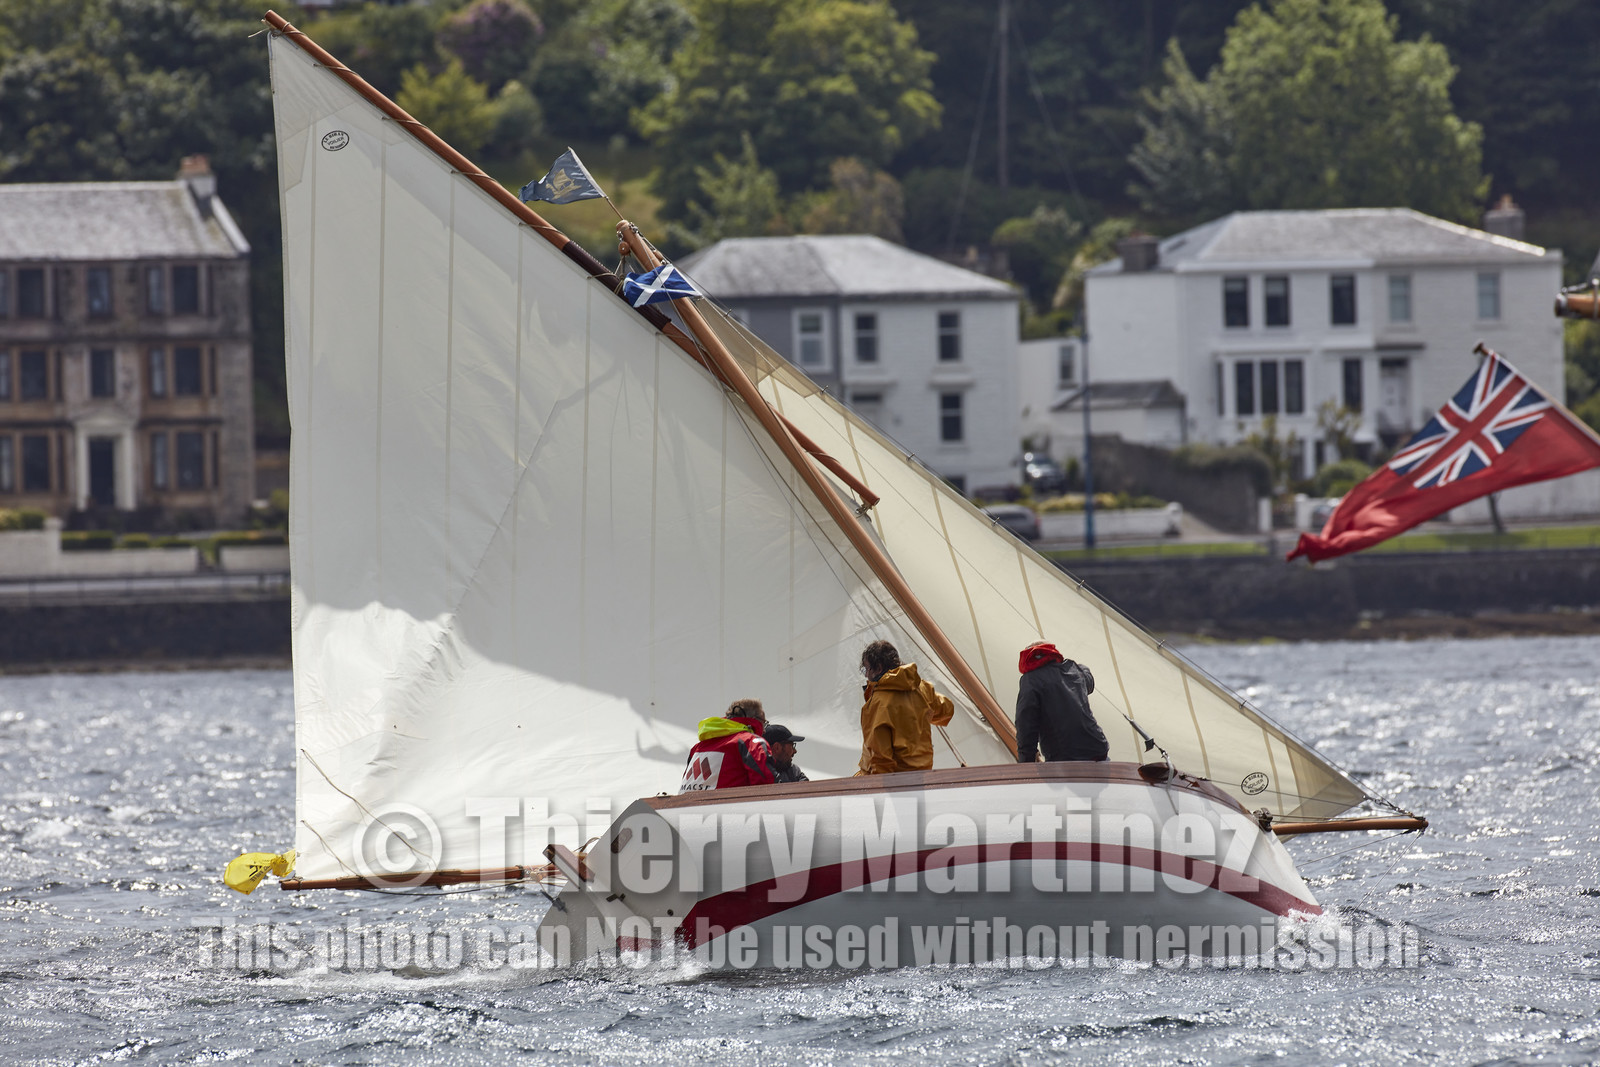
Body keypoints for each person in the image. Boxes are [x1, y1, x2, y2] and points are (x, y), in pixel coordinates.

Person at [856, 640, 954, 775]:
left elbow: (879, 758)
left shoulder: (878, 703)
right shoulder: (922, 688)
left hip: (895, 782)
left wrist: (880, 790)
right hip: (922, 775)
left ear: (878, 668)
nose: (866, 675)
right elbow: (947, 710)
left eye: (866, 669)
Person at [1015, 641, 1109, 763]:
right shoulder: (1073, 670)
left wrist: (1026, 763)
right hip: (1098, 750)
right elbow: (1088, 680)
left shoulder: (1030, 681)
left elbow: (1026, 727)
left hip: (1065, 759)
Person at [679, 698, 776, 792]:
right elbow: (765, 786)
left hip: (682, 806)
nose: (764, 730)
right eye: (764, 723)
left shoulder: (697, 748)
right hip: (727, 806)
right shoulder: (751, 742)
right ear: (754, 720)